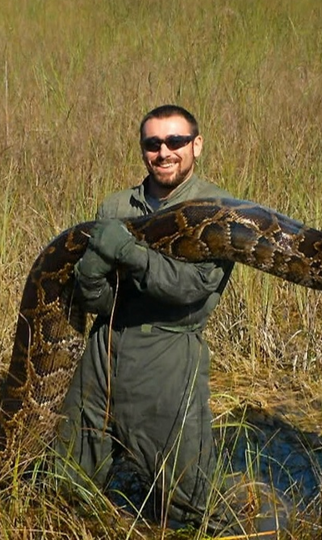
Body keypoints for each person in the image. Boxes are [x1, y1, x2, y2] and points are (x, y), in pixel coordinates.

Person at [54, 105, 280, 535]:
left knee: (184, 503)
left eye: (175, 141)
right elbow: (99, 298)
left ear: (196, 145)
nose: (164, 152)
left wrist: (129, 253)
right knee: (70, 477)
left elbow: (191, 289)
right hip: (104, 349)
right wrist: (89, 281)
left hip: (168, 351)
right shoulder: (117, 205)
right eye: (153, 143)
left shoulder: (218, 210)